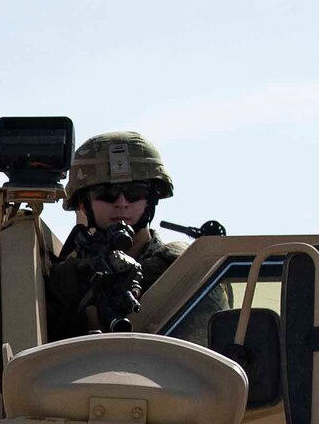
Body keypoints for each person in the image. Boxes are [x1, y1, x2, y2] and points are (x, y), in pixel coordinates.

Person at [46, 131, 213, 340]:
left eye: (135, 192)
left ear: (151, 199)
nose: (122, 203)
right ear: (83, 203)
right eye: (106, 193)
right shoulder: (63, 280)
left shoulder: (183, 269)